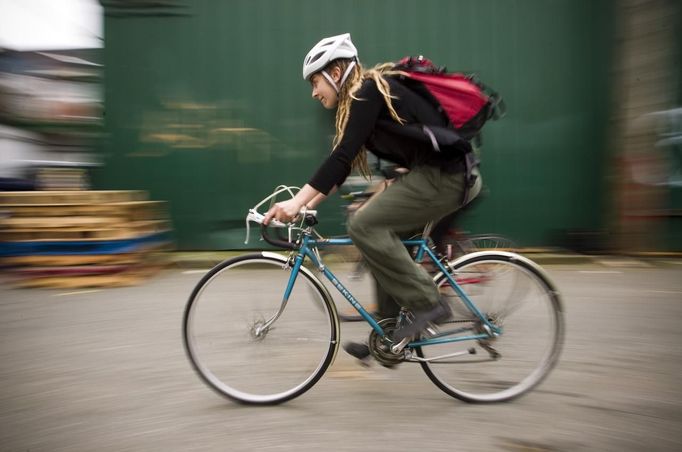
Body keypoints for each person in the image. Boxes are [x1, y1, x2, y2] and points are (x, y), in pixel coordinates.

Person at [263, 33, 481, 361]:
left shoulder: (368, 92)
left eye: (315, 82)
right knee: (378, 237)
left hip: (445, 178)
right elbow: (340, 168)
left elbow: (340, 158)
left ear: (335, 73)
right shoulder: (365, 99)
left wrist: (296, 202)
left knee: (364, 225)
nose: (313, 92)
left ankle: (429, 302)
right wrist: (303, 205)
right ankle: (391, 334)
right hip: (438, 176)